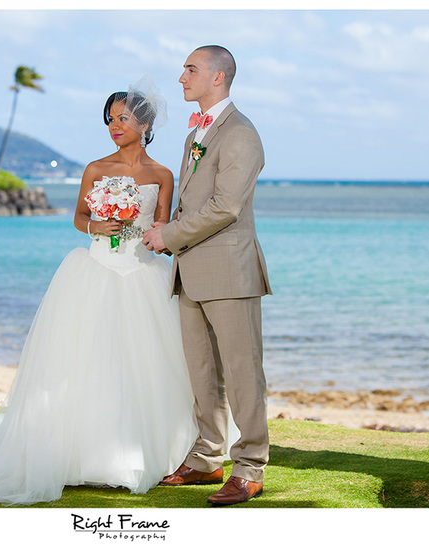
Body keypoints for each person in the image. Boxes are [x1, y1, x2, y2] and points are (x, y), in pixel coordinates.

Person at [0, 76, 197, 505]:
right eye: (110, 119)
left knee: (143, 362)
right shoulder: (95, 168)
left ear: (144, 123)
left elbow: (160, 228)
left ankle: (142, 449)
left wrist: (149, 232)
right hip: (94, 270)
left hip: (141, 274)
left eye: (123, 118)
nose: (114, 126)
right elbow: (78, 218)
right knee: (84, 361)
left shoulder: (163, 175)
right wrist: (97, 225)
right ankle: (79, 452)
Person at [142, 45, 272, 506]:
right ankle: (206, 458)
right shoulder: (196, 132)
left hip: (229, 271)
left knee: (242, 374)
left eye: (190, 70)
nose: (181, 77)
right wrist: (164, 231)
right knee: (202, 373)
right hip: (191, 271)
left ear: (218, 77)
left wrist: (169, 235)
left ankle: (250, 466)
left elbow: (226, 207)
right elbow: (193, 201)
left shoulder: (240, 134)